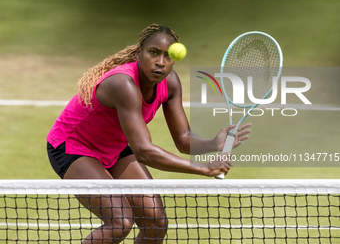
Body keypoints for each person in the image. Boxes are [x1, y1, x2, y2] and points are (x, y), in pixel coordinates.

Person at [46, 23, 251, 244]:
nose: (161, 62)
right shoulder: (123, 83)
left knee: (156, 222)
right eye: (153, 53)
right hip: (74, 146)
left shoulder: (170, 83)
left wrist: (213, 143)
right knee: (120, 222)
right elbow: (144, 152)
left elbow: (183, 139)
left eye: (168, 56)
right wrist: (203, 168)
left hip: (115, 146)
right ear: (139, 53)